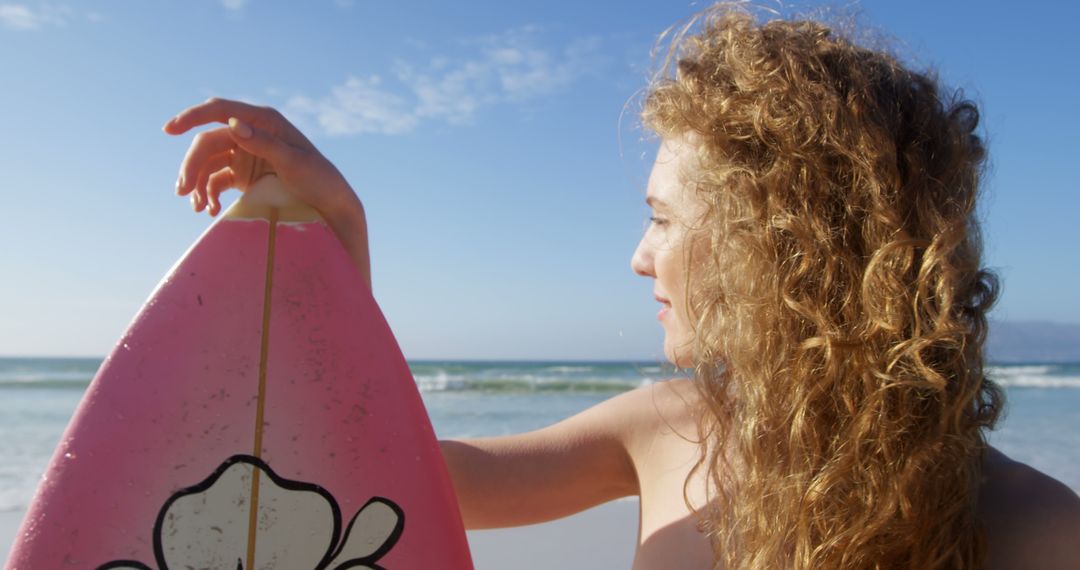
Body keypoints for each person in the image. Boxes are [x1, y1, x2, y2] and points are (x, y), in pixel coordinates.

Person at [163, 4, 1080, 568]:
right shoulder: (664, 427)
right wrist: (337, 244)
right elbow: (406, 479)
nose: (641, 257)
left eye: (665, 217)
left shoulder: (1040, 533)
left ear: (782, 249)